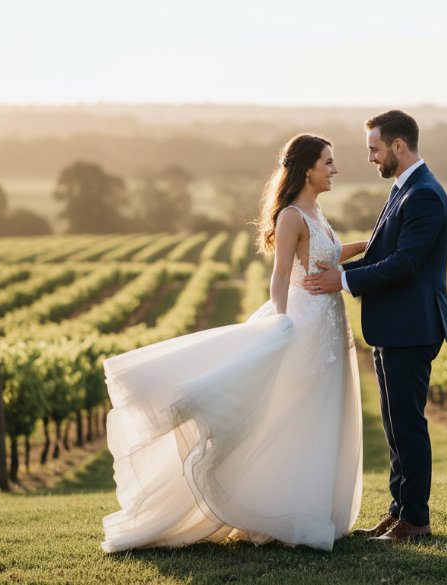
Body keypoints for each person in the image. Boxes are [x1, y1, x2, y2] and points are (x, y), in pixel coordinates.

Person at [99, 134, 367, 553]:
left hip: (330, 323)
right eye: (328, 162)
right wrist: (282, 324)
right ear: (307, 170)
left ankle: (310, 509)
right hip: (305, 322)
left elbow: (329, 256)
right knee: (291, 412)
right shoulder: (292, 215)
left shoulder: (317, 211)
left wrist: (368, 244)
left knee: (320, 413)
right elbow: (280, 275)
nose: (335, 170)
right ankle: (278, 510)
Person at [303, 110, 447, 542]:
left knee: (408, 426)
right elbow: (382, 253)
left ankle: (416, 520)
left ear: (398, 146)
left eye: (374, 149)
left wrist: (343, 280)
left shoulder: (424, 194)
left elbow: (405, 263)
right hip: (395, 326)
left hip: (412, 327)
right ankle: (398, 511)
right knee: (394, 426)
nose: (370, 158)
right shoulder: (404, 188)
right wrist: (338, 268)